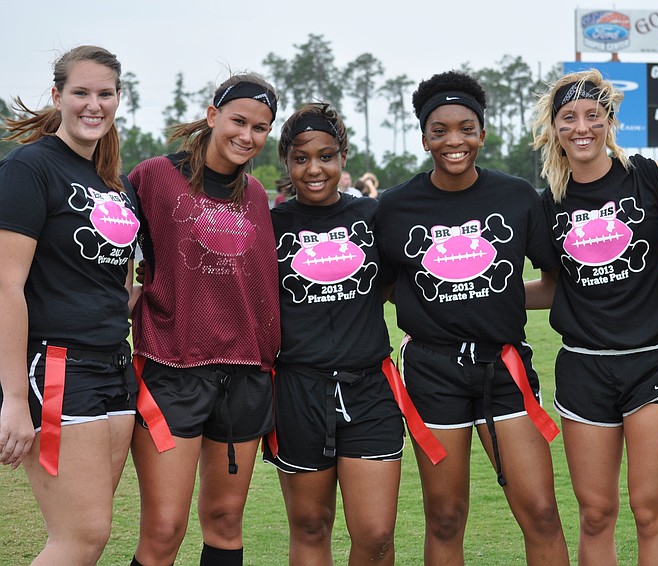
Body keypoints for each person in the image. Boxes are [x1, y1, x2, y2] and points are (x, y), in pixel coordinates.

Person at [375, 70, 570, 566]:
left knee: (541, 512)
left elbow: (554, 283)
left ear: (482, 133)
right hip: (432, 371)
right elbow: (385, 286)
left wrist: (491, 299)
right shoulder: (394, 207)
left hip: (503, 368)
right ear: (424, 138)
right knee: (445, 516)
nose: (454, 141)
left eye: (466, 128)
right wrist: (438, 304)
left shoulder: (517, 196)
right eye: (439, 130)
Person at [527, 68, 658, 565]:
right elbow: (554, 289)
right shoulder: (548, 205)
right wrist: (475, 297)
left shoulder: (651, 177)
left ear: (609, 120)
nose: (582, 127)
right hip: (584, 368)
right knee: (596, 514)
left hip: (655, 363)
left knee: (649, 511)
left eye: (593, 115)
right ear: (554, 128)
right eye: (569, 118)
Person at [263, 102, 436, 565]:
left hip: (369, 390)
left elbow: (398, 285)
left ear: (343, 157)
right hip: (298, 390)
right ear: (286, 163)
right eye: (301, 158)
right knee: (311, 526)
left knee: (376, 534)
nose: (314, 169)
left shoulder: (373, 215)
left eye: (326, 156)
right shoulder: (271, 225)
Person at [127, 73, 280, 566]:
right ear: (213, 116)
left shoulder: (256, 195)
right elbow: (109, 241)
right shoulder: (154, 177)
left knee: (225, 521)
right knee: (164, 529)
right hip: (174, 369)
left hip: (246, 375)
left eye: (260, 127)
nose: (247, 135)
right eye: (238, 121)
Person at [0, 45, 139, 564]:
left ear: (119, 98)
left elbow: (114, 283)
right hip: (58, 369)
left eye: (105, 93)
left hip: (115, 367)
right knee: (80, 537)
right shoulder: (29, 168)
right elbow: (6, 286)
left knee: (90, 537)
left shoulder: (112, 183)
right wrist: (14, 399)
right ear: (58, 96)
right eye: (81, 92)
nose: (93, 104)